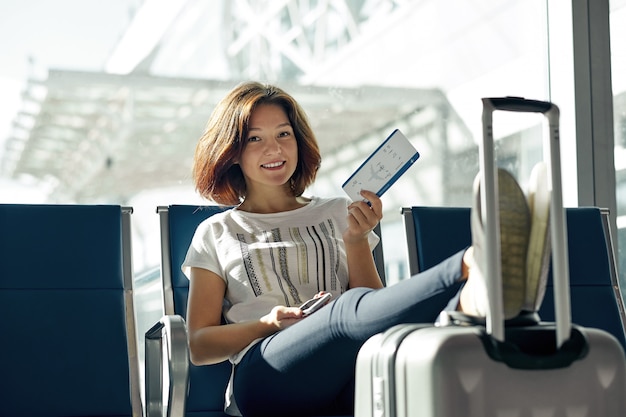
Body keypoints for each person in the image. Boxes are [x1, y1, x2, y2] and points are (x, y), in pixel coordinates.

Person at [183, 81, 550, 417]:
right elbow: (199, 346)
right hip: (266, 377)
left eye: (284, 134)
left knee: (405, 356)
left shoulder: (337, 211)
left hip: (348, 373)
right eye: (255, 139)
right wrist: (267, 323)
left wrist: (357, 241)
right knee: (341, 313)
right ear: (232, 151)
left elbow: (372, 313)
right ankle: (472, 265)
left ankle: (472, 303)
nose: (275, 148)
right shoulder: (217, 231)